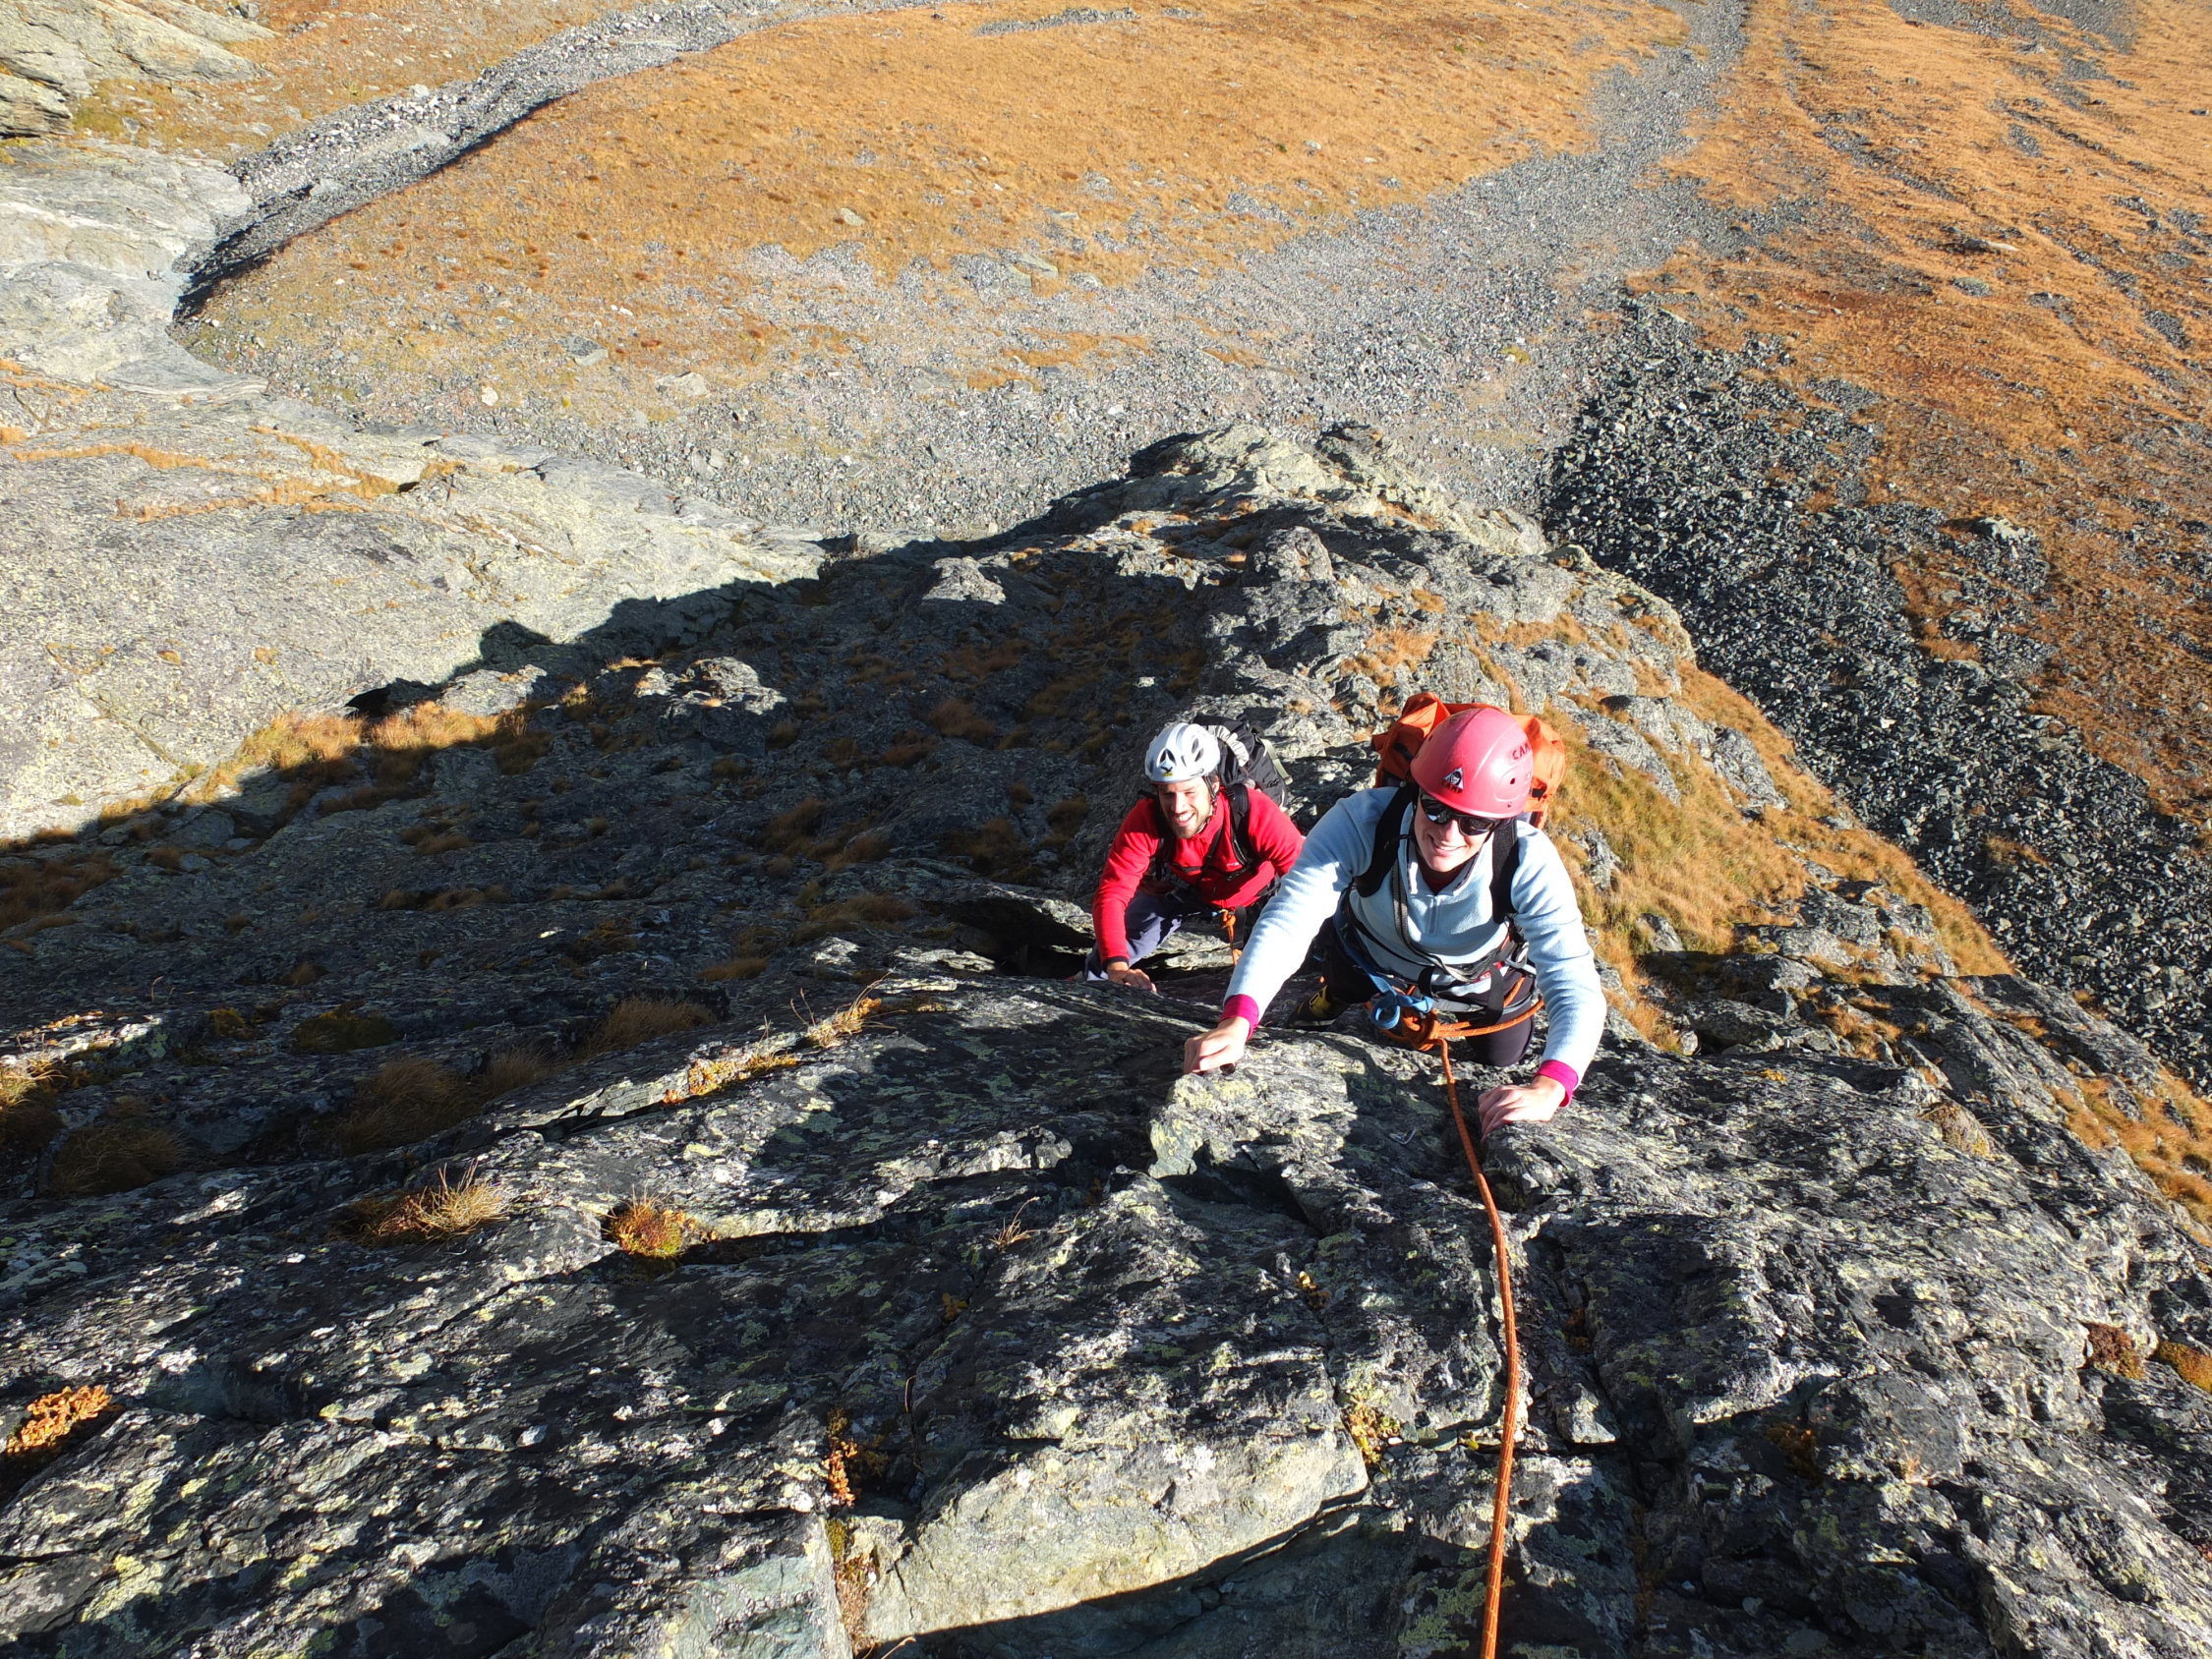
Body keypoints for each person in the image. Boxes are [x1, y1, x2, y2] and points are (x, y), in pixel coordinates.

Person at [1181, 706, 1603, 1136]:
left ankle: (1348, 992)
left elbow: (1572, 978)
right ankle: (1336, 995)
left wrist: (1551, 1085)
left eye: (1475, 822)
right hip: (1369, 956)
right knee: (1344, 980)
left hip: (1474, 980)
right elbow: (1290, 918)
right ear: (1415, 791)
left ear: (1501, 821)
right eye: (1435, 808)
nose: (1448, 834)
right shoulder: (1362, 821)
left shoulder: (1527, 860)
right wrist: (1236, 1021)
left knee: (1501, 1056)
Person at [1085, 721, 1305, 992]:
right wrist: (1117, 967)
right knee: (1107, 957)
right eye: (1167, 794)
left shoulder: (1253, 812)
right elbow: (1113, 892)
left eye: (1189, 792)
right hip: (1186, 889)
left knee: (1284, 965)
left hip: (1259, 894)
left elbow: (1307, 883)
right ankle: (1087, 986)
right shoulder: (1147, 818)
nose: (1178, 808)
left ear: (1214, 785)